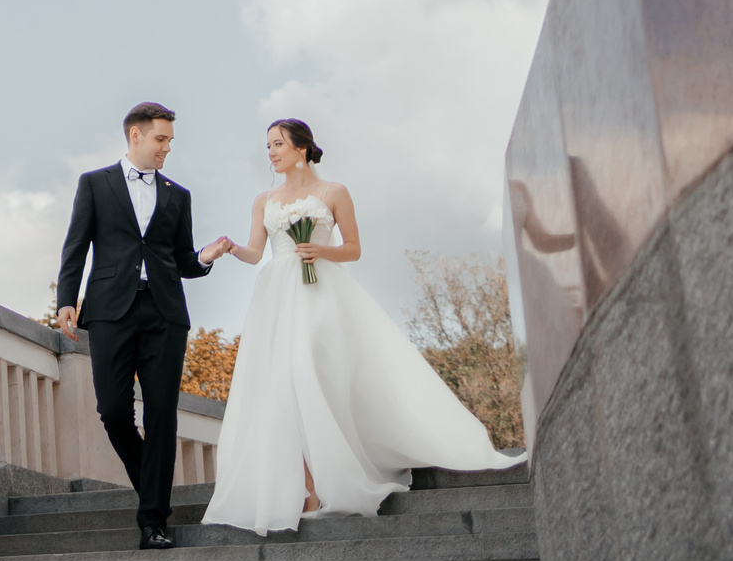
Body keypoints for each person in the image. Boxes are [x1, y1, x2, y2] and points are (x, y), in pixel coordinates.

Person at [198, 117, 519, 535]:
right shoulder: (264, 199)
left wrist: (320, 251)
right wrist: (228, 249)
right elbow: (257, 251)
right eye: (268, 146)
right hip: (276, 296)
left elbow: (353, 249)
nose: (272, 152)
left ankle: (349, 466)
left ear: (302, 147)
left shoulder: (334, 192)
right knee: (284, 386)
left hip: (321, 294)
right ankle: (309, 491)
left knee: (310, 374)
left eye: (278, 144)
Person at [54, 101, 234, 550]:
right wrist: (65, 301)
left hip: (165, 314)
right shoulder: (95, 183)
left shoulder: (179, 195)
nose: (167, 148)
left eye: (170, 141)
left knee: (161, 416)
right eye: (160, 139)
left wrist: (206, 258)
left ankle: (153, 520)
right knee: (113, 410)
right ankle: (152, 488)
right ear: (135, 135)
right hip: (110, 311)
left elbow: (181, 260)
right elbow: (75, 245)